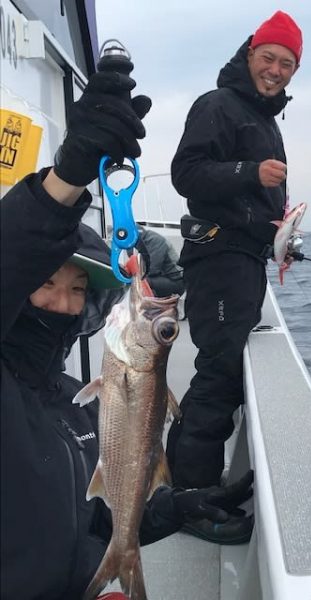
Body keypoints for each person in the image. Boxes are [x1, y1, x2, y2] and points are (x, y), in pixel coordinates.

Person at [0, 67, 253, 600]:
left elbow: (94, 515)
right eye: (45, 282)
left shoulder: (78, 404)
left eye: (78, 290)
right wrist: (64, 181)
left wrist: (171, 508)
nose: (63, 303)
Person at [166, 11, 302, 498]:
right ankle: (195, 499)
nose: (276, 70)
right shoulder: (218, 105)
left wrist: (280, 240)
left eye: (288, 64)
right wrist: (248, 171)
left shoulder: (263, 119)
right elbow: (186, 174)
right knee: (220, 373)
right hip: (218, 261)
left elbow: (255, 203)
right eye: (269, 58)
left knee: (219, 372)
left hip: (245, 261)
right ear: (250, 55)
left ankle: (181, 483)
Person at [136, 224, 185, 297]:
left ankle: (149, 305)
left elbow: (153, 270)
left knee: (141, 282)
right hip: (163, 277)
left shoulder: (154, 240)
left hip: (176, 281)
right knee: (139, 281)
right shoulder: (143, 241)